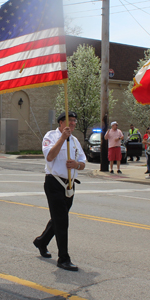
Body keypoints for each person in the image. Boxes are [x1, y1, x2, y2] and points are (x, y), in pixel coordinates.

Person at [33, 111, 86, 271]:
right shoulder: (51, 136)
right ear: (61, 123)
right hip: (54, 182)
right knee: (62, 221)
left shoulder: (75, 141)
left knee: (58, 218)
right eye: (70, 121)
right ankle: (63, 258)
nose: (73, 124)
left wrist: (76, 165)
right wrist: (62, 138)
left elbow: (83, 162)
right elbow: (49, 157)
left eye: (75, 121)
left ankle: (41, 241)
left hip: (69, 184)